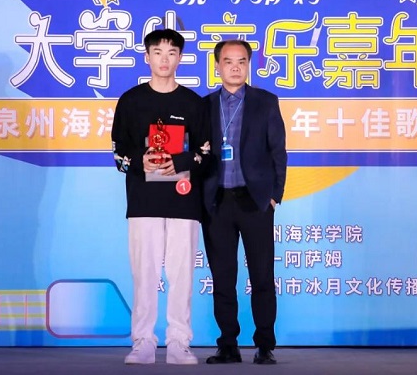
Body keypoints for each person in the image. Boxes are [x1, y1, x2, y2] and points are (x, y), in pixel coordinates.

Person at [111, 28, 211, 365]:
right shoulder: (131, 101)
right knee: (145, 273)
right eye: (157, 52)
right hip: (144, 199)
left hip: (184, 199)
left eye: (171, 53)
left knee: (182, 274)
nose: (164, 59)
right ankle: (143, 341)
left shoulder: (193, 103)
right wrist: (139, 162)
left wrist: (179, 162)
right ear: (147, 57)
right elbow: (118, 152)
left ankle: (180, 342)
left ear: (180, 58)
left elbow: (206, 151)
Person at [202, 40, 287, 365]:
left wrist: (274, 196)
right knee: (223, 277)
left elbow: (278, 152)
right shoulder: (205, 106)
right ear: (217, 66)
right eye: (228, 61)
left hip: (255, 201)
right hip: (217, 202)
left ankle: (265, 344)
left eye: (241, 61)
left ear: (249, 65)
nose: (235, 67)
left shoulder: (266, 102)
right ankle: (228, 344)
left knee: (262, 276)